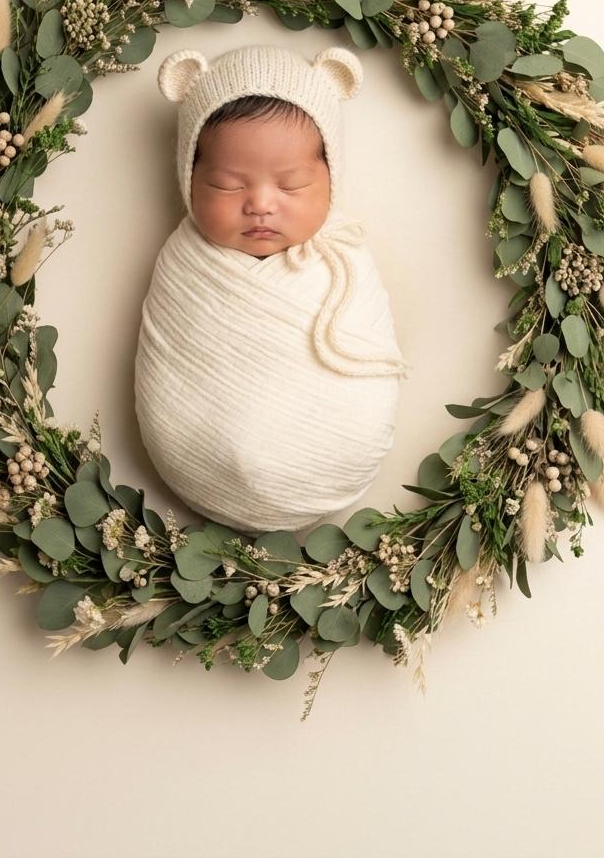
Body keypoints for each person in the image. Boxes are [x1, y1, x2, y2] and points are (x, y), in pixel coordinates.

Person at [133, 42, 409, 536]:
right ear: (189, 179)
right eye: (227, 185)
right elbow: (173, 360)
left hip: (335, 457)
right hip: (197, 463)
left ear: (330, 179)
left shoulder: (343, 260)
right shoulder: (185, 264)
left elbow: (370, 348)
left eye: (292, 185)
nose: (260, 204)